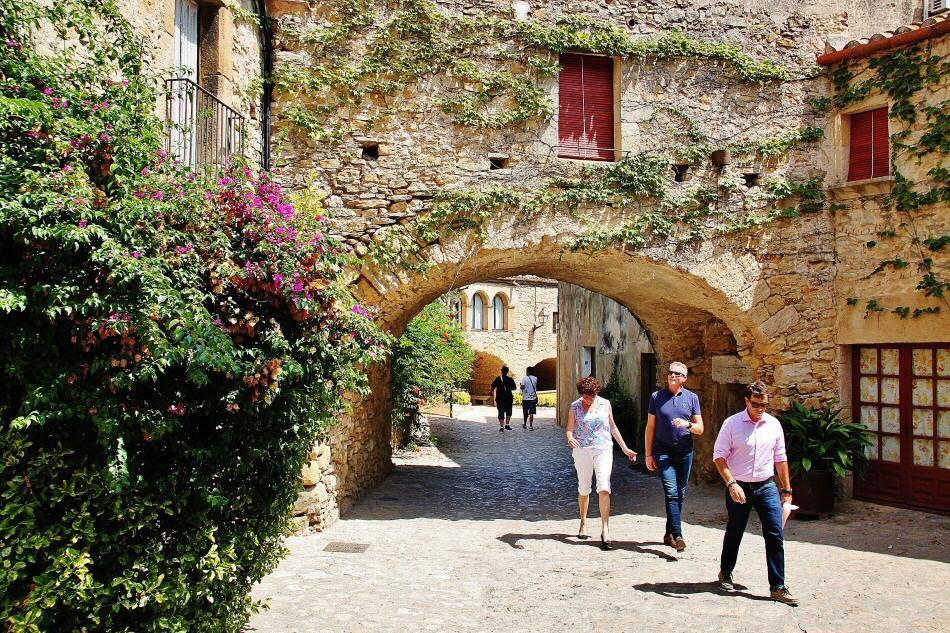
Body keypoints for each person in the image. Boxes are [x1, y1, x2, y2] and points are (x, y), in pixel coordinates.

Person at [713, 380, 798, 606]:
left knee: (775, 534)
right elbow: (719, 457)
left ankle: (778, 587)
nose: (761, 409)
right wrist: (731, 484)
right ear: (746, 401)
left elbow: (781, 459)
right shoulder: (731, 424)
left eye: (765, 405)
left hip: (766, 486)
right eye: (756, 404)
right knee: (735, 531)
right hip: (739, 485)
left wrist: (787, 491)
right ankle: (726, 572)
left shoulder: (773, 425)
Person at [566, 376, 637, 550]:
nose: (588, 400)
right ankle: (583, 522)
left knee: (604, 486)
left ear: (597, 393)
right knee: (584, 488)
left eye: (591, 396)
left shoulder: (605, 404)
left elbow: (612, 427)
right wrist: (570, 438)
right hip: (582, 450)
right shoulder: (575, 407)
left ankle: (605, 529)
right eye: (585, 396)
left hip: (603, 448)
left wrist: (625, 448)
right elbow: (569, 429)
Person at [644, 361, 703, 552]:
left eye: (677, 374)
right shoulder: (656, 397)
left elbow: (700, 429)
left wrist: (686, 425)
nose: (672, 376)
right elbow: (650, 427)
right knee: (671, 491)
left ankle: (669, 532)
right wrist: (648, 454)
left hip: (685, 451)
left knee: (681, 493)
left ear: (684, 378)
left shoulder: (692, 398)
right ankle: (678, 535)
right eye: (670, 372)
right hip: (663, 451)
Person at [491, 366, 516, 431]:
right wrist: (508, 388)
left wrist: (490, 392)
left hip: (500, 398)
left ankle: (502, 427)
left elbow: (493, 386)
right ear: (507, 372)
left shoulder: (498, 379)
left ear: (501, 371)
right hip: (508, 398)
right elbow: (514, 388)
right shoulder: (510, 379)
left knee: (501, 412)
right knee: (508, 411)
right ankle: (507, 425)